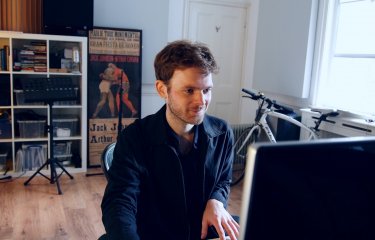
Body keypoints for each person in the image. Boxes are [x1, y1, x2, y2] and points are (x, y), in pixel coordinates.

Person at [101, 40, 239, 240]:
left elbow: (223, 181)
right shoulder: (134, 138)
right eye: (189, 90)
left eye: (206, 90)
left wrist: (216, 200)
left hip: (202, 232)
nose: (201, 102)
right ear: (162, 90)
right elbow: (120, 202)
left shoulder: (223, 132)